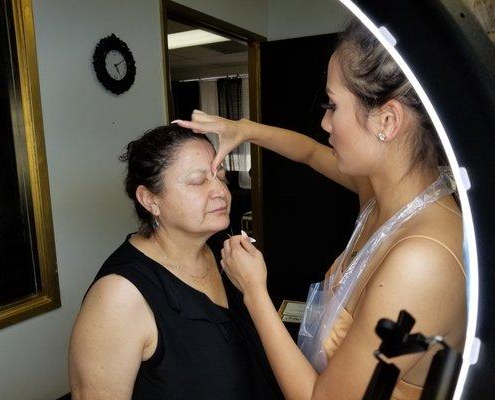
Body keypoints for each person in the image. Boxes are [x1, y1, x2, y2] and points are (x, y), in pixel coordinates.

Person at [176, 18, 466, 400]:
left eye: (333, 104)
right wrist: (245, 129)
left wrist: (254, 291)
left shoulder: (423, 260)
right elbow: (310, 152)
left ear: (387, 120)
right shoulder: (382, 192)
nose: (324, 122)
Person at [68, 126, 282, 399]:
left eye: (222, 178)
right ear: (150, 200)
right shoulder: (119, 297)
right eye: (197, 181)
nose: (220, 192)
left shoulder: (226, 255)